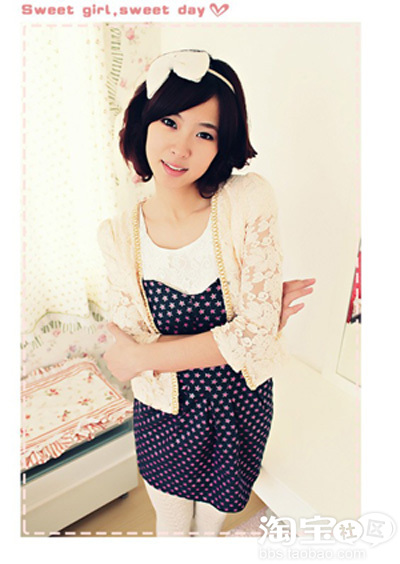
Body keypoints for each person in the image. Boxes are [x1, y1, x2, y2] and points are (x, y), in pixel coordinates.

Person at [98, 50, 315, 537]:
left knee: (213, 522)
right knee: (173, 525)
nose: (180, 148)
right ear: (144, 123)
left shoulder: (248, 200)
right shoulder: (117, 235)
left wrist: (146, 355)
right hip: (163, 411)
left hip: (240, 405)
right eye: (169, 122)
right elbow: (127, 348)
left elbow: (137, 354)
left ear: (222, 144)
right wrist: (247, 330)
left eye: (204, 134)